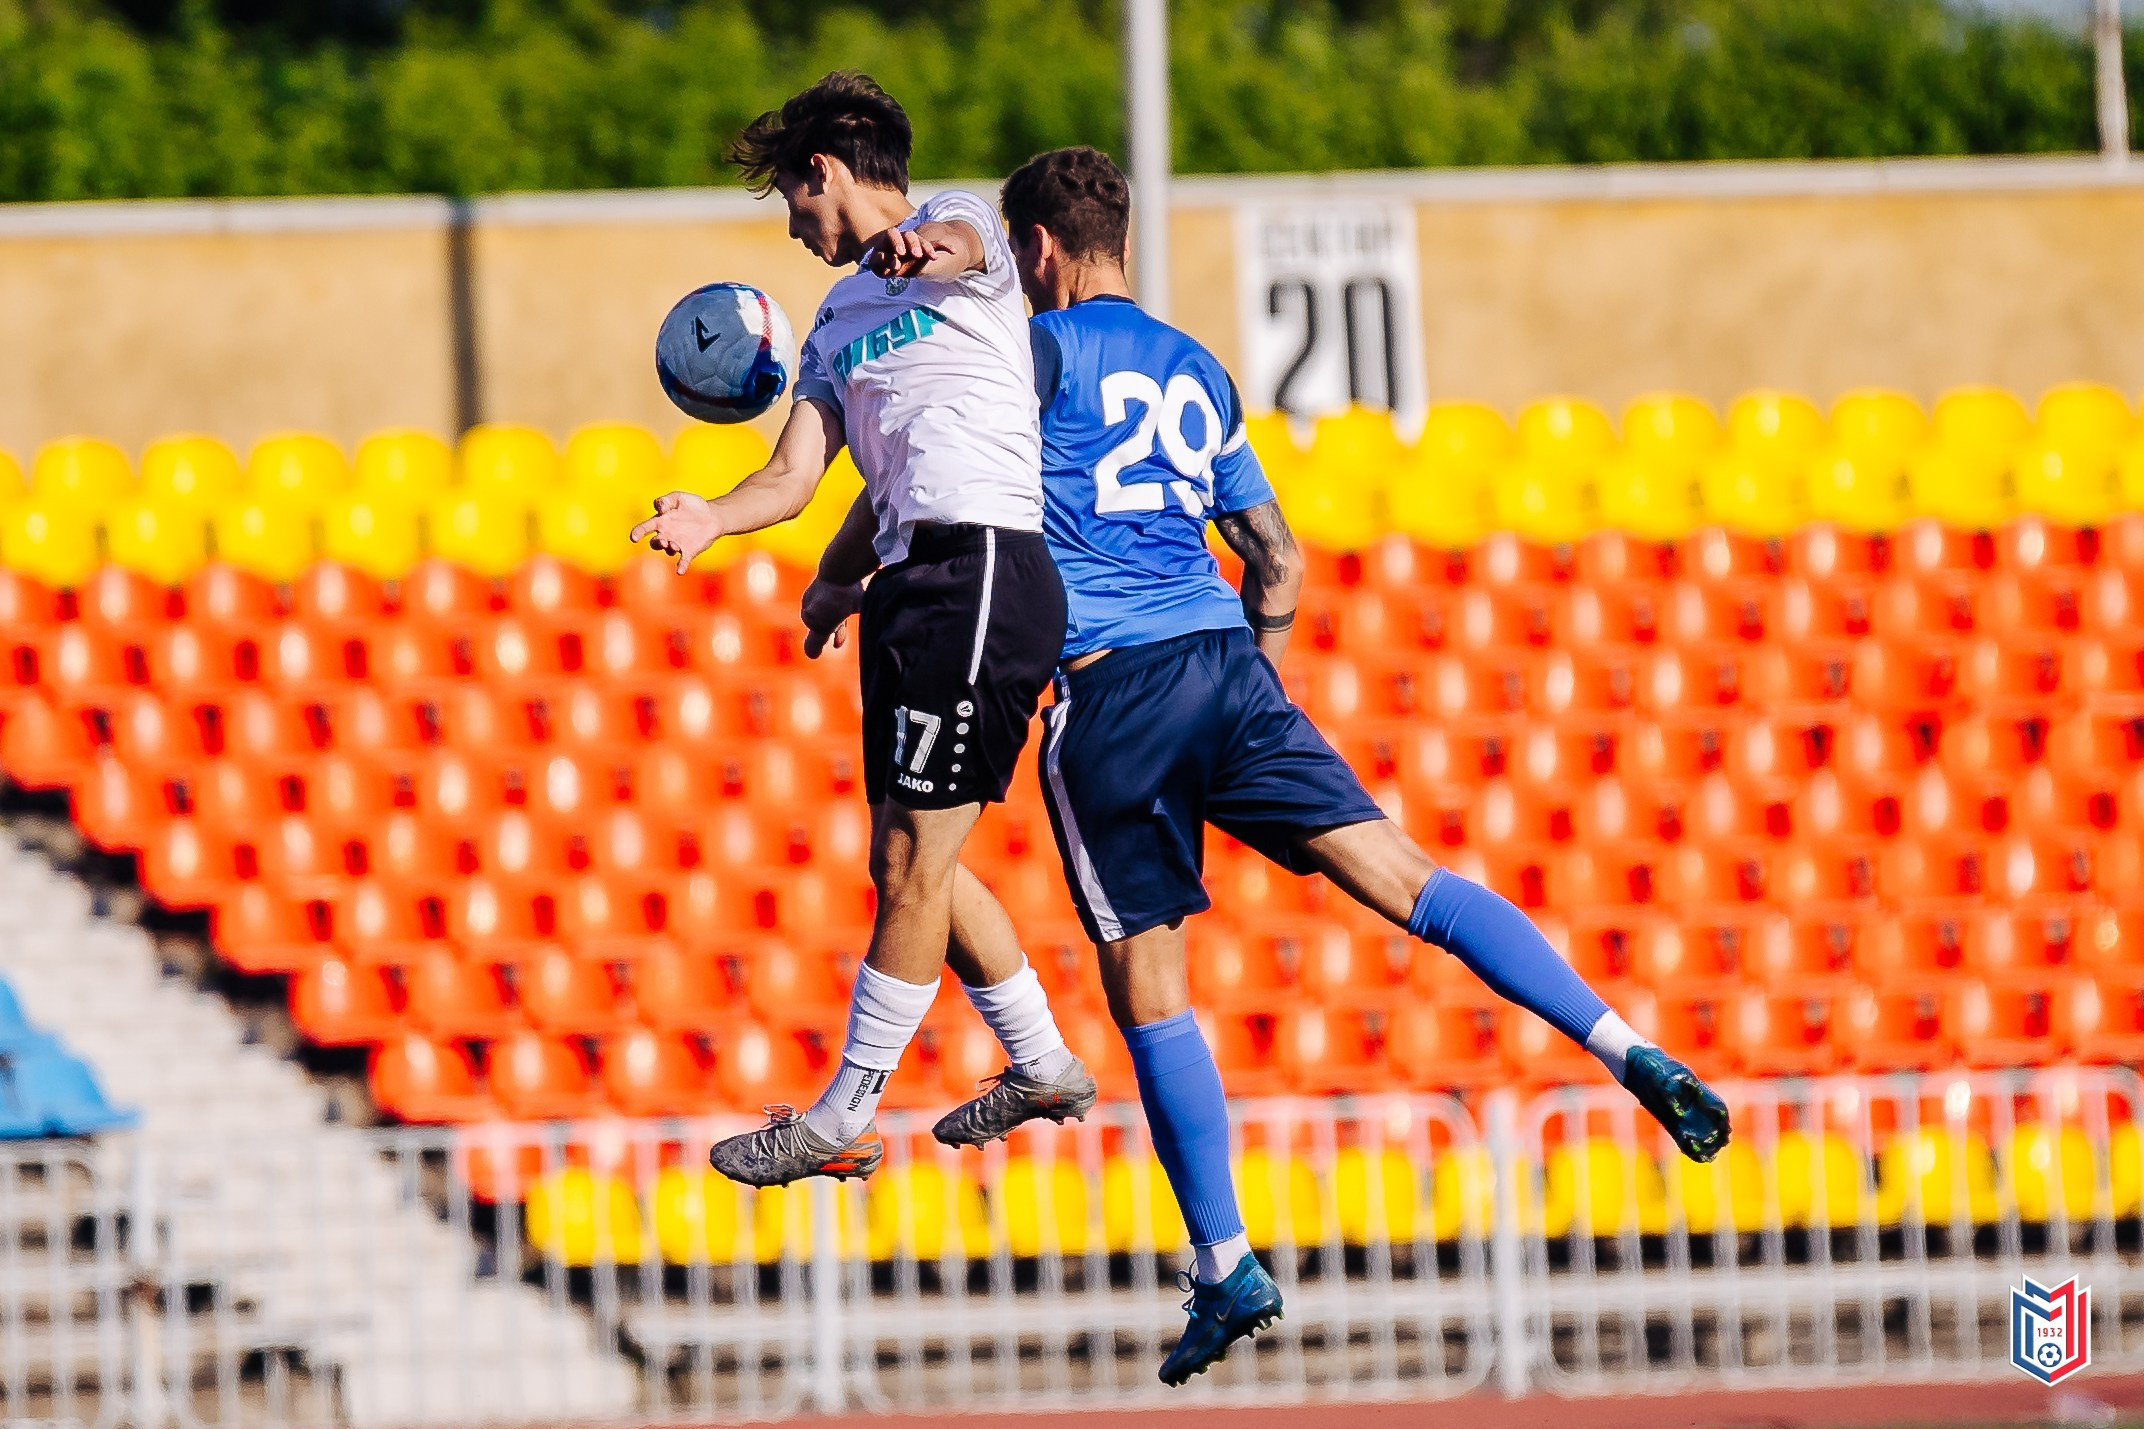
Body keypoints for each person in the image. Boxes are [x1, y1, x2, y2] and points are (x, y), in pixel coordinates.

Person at [935, 145, 1733, 1387]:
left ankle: (1223, 1259)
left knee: (1149, 986)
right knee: (1409, 877)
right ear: (1123, 239)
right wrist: (1249, 682)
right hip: (1228, 665)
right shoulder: (1195, 368)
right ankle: (1625, 1043)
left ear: (1036, 246)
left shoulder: (1037, 354)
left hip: (1109, 691)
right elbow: (1277, 556)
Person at [632, 72, 1099, 1187]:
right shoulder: (835, 324)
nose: (794, 231)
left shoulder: (966, 223)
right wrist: (713, 515)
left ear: (823, 173)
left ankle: (844, 1110)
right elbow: (793, 477)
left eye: (791, 203)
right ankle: (1040, 1059)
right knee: (916, 852)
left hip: (982, 563)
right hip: (908, 584)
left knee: (906, 858)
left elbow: (946, 245)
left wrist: (906, 250)